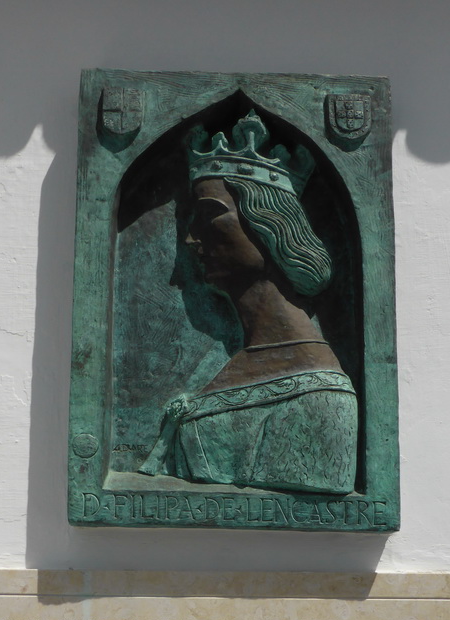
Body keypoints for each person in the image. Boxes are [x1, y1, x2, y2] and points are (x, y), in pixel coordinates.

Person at [139, 110, 357, 494]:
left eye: (209, 216)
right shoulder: (242, 359)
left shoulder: (319, 398)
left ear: (271, 225)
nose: (191, 241)